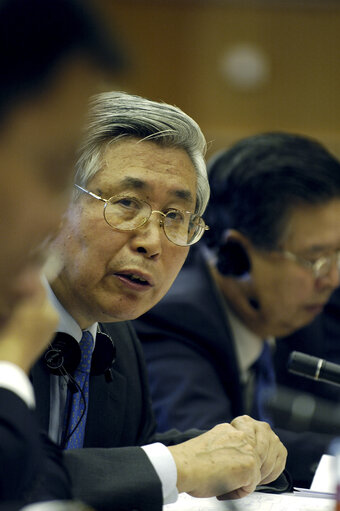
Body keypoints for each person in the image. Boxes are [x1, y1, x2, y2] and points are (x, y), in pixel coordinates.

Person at [31, 93, 288, 511]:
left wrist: (237, 451)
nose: (152, 242)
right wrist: (176, 465)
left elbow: (125, 459)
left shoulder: (118, 339)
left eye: (174, 216)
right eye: (127, 204)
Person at [135, 131, 340, 487]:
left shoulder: (300, 308)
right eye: (315, 259)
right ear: (237, 256)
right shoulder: (174, 320)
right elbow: (214, 450)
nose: (332, 278)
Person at [0, 0, 122, 505]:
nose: (57, 220)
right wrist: (8, 369)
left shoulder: (111, 331)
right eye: (53, 171)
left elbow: (39, 486)